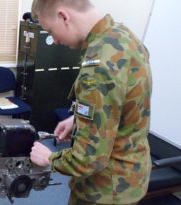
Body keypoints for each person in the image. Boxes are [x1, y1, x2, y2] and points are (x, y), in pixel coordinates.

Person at [29, 0, 152, 205]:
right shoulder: (122, 36)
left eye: (50, 31)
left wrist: (49, 159)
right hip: (132, 173)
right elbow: (121, 103)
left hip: (105, 190)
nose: (54, 40)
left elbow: (89, 158)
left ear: (63, 16)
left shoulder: (98, 65)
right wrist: (77, 119)